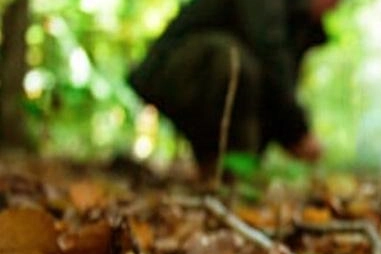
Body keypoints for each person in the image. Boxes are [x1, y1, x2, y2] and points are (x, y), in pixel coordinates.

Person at [128, 0, 340, 180]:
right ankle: (222, 170)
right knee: (235, 62)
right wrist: (297, 129)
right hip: (175, 73)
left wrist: (293, 133)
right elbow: (269, 54)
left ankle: (233, 174)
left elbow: (278, 88)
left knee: (252, 76)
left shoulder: (302, 27)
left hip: (218, 82)